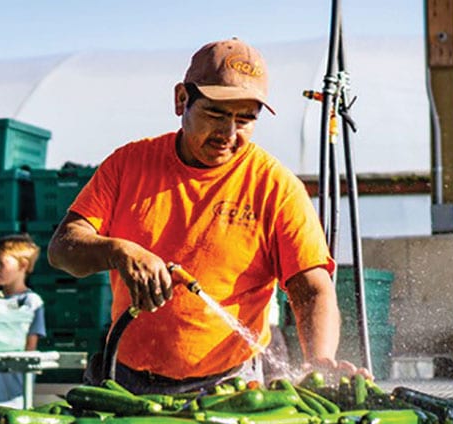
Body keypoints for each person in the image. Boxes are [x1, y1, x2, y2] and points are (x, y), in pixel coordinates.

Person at [48, 38, 369, 394]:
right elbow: (62, 249)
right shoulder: (128, 166)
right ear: (181, 100)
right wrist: (119, 251)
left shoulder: (275, 186)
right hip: (125, 380)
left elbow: (310, 289)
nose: (228, 134)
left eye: (245, 119)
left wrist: (319, 359)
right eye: (216, 114)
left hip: (229, 387)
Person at [0, 234, 46, 408]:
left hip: (14, 390)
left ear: (23, 265)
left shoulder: (31, 302)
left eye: (1, 264)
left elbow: (30, 347)